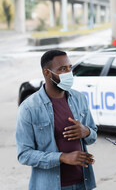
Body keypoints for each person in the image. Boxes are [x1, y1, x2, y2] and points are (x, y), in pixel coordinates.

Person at [16, 50, 97, 190]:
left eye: (70, 68)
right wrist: (62, 157)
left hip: (83, 183)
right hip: (50, 186)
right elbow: (24, 154)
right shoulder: (29, 108)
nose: (68, 73)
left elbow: (92, 137)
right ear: (47, 73)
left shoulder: (79, 99)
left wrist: (87, 131)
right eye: (62, 69)